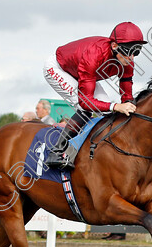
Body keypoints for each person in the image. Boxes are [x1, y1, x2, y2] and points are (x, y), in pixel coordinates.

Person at [42, 22, 145, 169]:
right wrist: (116, 106)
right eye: (129, 51)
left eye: (137, 52)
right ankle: (57, 150)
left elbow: (126, 96)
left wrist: (129, 108)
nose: (132, 57)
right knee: (88, 108)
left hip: (81, 72)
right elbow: (85, 102)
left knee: (106, 108)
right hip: (58, 68)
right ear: (115, 46)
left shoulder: (128, 62)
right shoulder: (94, 55)